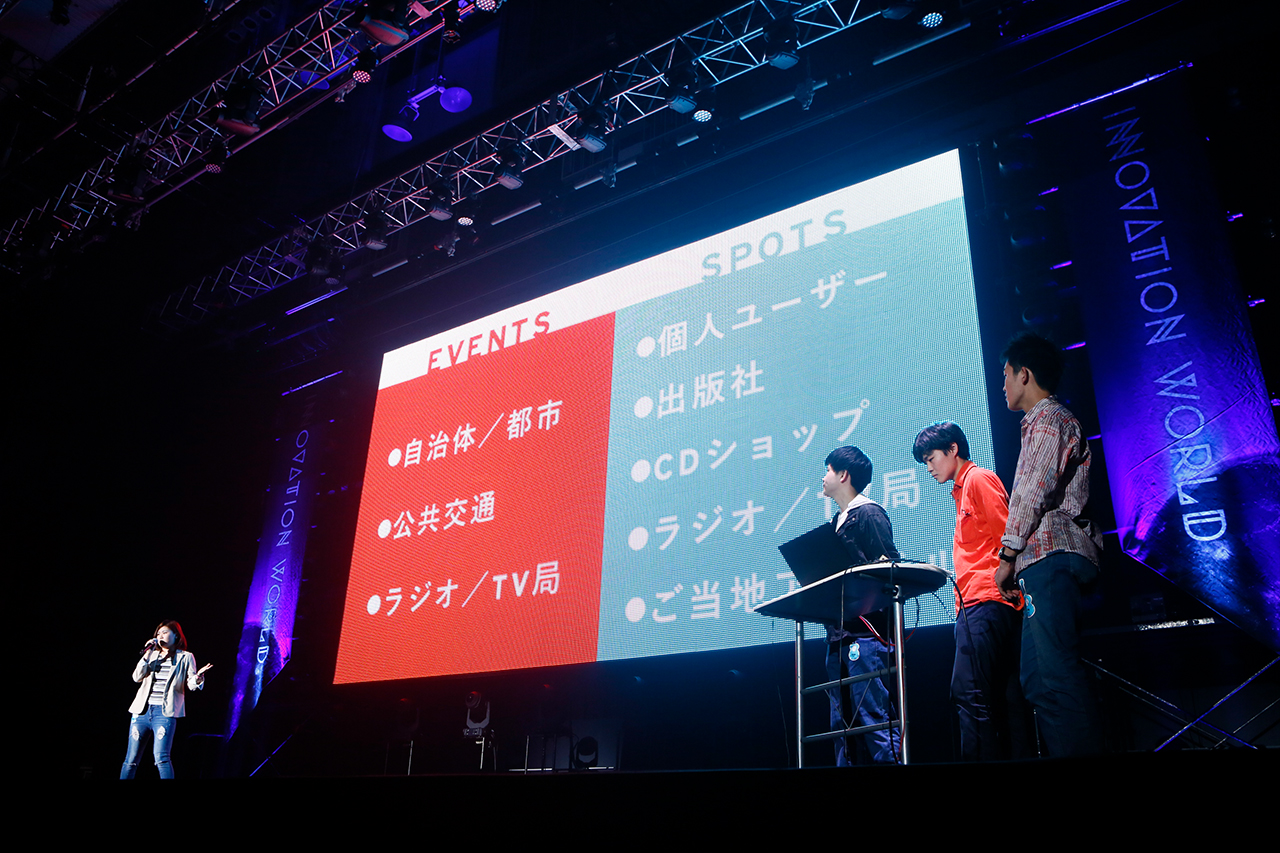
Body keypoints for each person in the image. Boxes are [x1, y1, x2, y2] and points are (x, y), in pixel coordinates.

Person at [994, 333, 1104, 756]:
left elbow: (1032, 491)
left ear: (1024, 374)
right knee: (1037, 679)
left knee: (1056, 676)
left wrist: (1007, 555)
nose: (1003, 384)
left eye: (1006, 375)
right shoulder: (1040, 422)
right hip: (1043, 560)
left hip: (1052, 555)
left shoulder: (1048, 419)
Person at [913, 421, 1032, 761]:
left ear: (953, 449)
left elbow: (1008, 535)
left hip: (987, 603)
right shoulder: (961, 490)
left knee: (968, 691)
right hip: (985, 604)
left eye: (931, 458)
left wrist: (1006, 582)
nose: (929, 467)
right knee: (1006, 698)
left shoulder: (978, 479)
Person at [820, 445, 902, 765]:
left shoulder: (869, 513)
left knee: (873, 716)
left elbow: (889, 566)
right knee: (840, 723)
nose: (823, 477)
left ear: (843, 475)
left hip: (867, 634)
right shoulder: (834, 523)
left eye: (828, 470)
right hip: (838, 633)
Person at [121, 620, 212, 779]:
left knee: (161, 758)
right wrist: (147, 655)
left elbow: (191, 684)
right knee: (130, 760)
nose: (160, 636)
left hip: (164, 713)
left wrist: (197, 678)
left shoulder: (185, 657)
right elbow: (136, 677)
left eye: (164, 632)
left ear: (175, 635)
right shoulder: (152, 655)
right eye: (158, 633)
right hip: (141, 711)